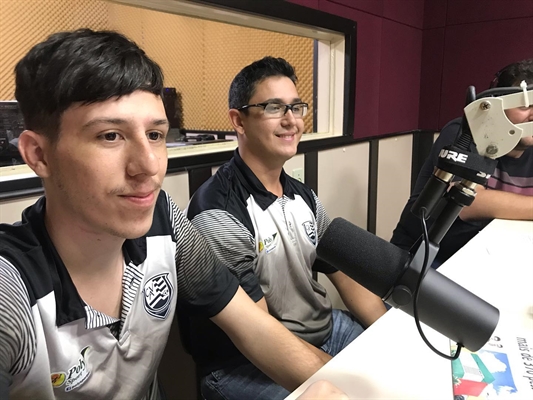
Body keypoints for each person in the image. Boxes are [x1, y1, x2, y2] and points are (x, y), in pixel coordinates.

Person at [0, 30, 344, 400]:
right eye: (110, 136)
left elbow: (255, 328)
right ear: (39, 155)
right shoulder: (12, 290)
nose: (148, 166)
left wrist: (349, 389)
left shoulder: (165, 222)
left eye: (155, 134)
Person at [184, 56, 387, 399]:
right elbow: (259, 336)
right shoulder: (218, 213)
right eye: (274, 108)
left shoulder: (302, 195)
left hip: (324, 330)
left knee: (396, 367)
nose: (291, 121)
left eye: (297, 107)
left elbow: (341, 271)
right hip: (246, 363)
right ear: (239, 121)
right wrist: (341, 379)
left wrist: (389, 334)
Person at [391, 59, 533, 267]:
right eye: (524, 105)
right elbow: (468, 202)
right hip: (425, 254)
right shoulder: (466, 133)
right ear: (496, 103)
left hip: (487, 256)